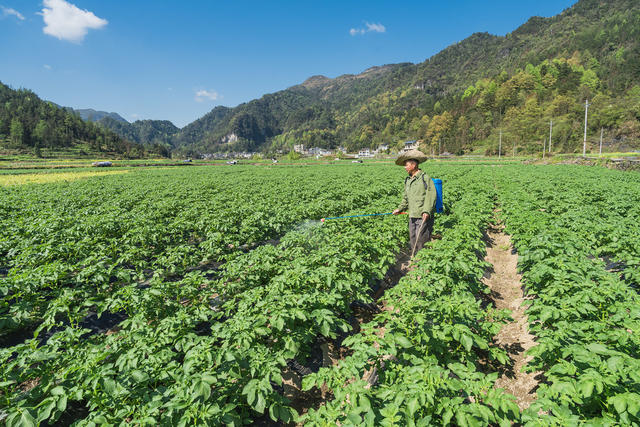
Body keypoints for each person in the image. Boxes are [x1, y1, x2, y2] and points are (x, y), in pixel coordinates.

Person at [392, 149, 437, 255]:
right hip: (412, 215)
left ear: (413, 165)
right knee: (413, 239)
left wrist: (426, 211)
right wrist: (400, 208)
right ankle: (415, 262)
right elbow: (406, 198)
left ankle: (422, 265)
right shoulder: (408, 180)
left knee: (421, 240)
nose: (405, 167)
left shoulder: (424, 178)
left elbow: (431, 195)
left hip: (423, 215)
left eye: (406, 165)